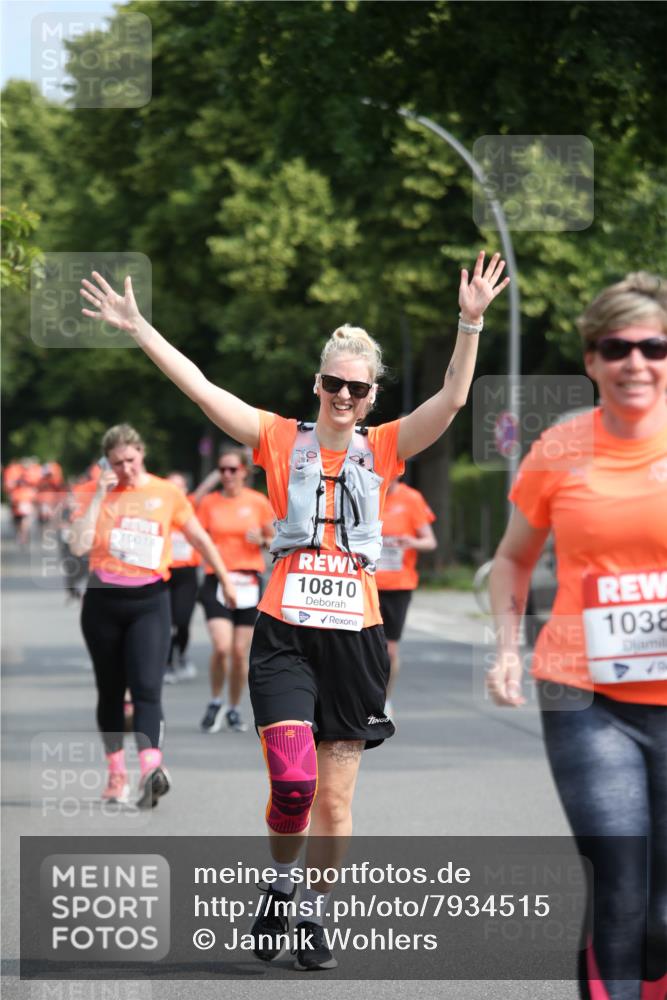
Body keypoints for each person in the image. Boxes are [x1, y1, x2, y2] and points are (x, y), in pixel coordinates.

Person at [80, 250, 509, 965]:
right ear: (318, 383)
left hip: (356, 639)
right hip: (283, 636)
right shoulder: (280, 439)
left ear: (371, 396)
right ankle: (284, 883)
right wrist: (140, 329)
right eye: (335, 383)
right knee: (293, 783)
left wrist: (469, 324)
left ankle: (305, 909)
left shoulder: (388, 446)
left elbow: (453, 401)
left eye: (358, 388)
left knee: (335, 805)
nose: (344, 396)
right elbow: (200, 387)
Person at [487, 272, 667, 1000]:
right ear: (589, 360)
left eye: (653, 345)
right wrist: (505, 647)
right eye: (614, 347)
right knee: (619, 879)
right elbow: (510, 560)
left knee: (662, 910)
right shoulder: (559, 450)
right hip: (585, 694)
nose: (635, 362)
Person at [69, 424, 236, 808]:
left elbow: (198, 538)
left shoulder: (166, 493)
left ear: (141, 453)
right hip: (103, 604)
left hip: (150, 601)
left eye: (130, 459)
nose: (125, 468)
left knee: (147, 688)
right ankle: (116, 775)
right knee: (110, 691)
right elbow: (78, 543)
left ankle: (150, 770)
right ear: (106, 464)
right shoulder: (97, 492)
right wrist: (98, 493)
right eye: (116, 463)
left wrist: (224, 579)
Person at [196, 448, 275, 734]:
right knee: (221, 647)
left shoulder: (257, 502)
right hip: (216, 579)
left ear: (244, 471)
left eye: (232, 469)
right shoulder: (209, 503)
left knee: (240, 653)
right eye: (222, 470)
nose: (227, 475)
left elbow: (275, 540)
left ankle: (233, 707)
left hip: (248, 581)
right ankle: (215, 700)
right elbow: (200, 539)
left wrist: (263, 539)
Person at [375, 476, 437, 717]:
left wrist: (411, 542)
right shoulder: (366, 492)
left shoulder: (411, 499)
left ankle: (385, 701)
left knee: (389, 651)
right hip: (365, 583)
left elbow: (430, 542)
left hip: (398, 585)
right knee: (360, 646)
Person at [163, 471, 203, 684]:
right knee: (166, 621)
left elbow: (206, 487)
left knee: (183, 620)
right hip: (164, 572)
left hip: (187, 573)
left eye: (178, 487)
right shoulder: (158, 508)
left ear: (185, 491)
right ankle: (167, 663)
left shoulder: (191, 506)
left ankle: (183, 652)